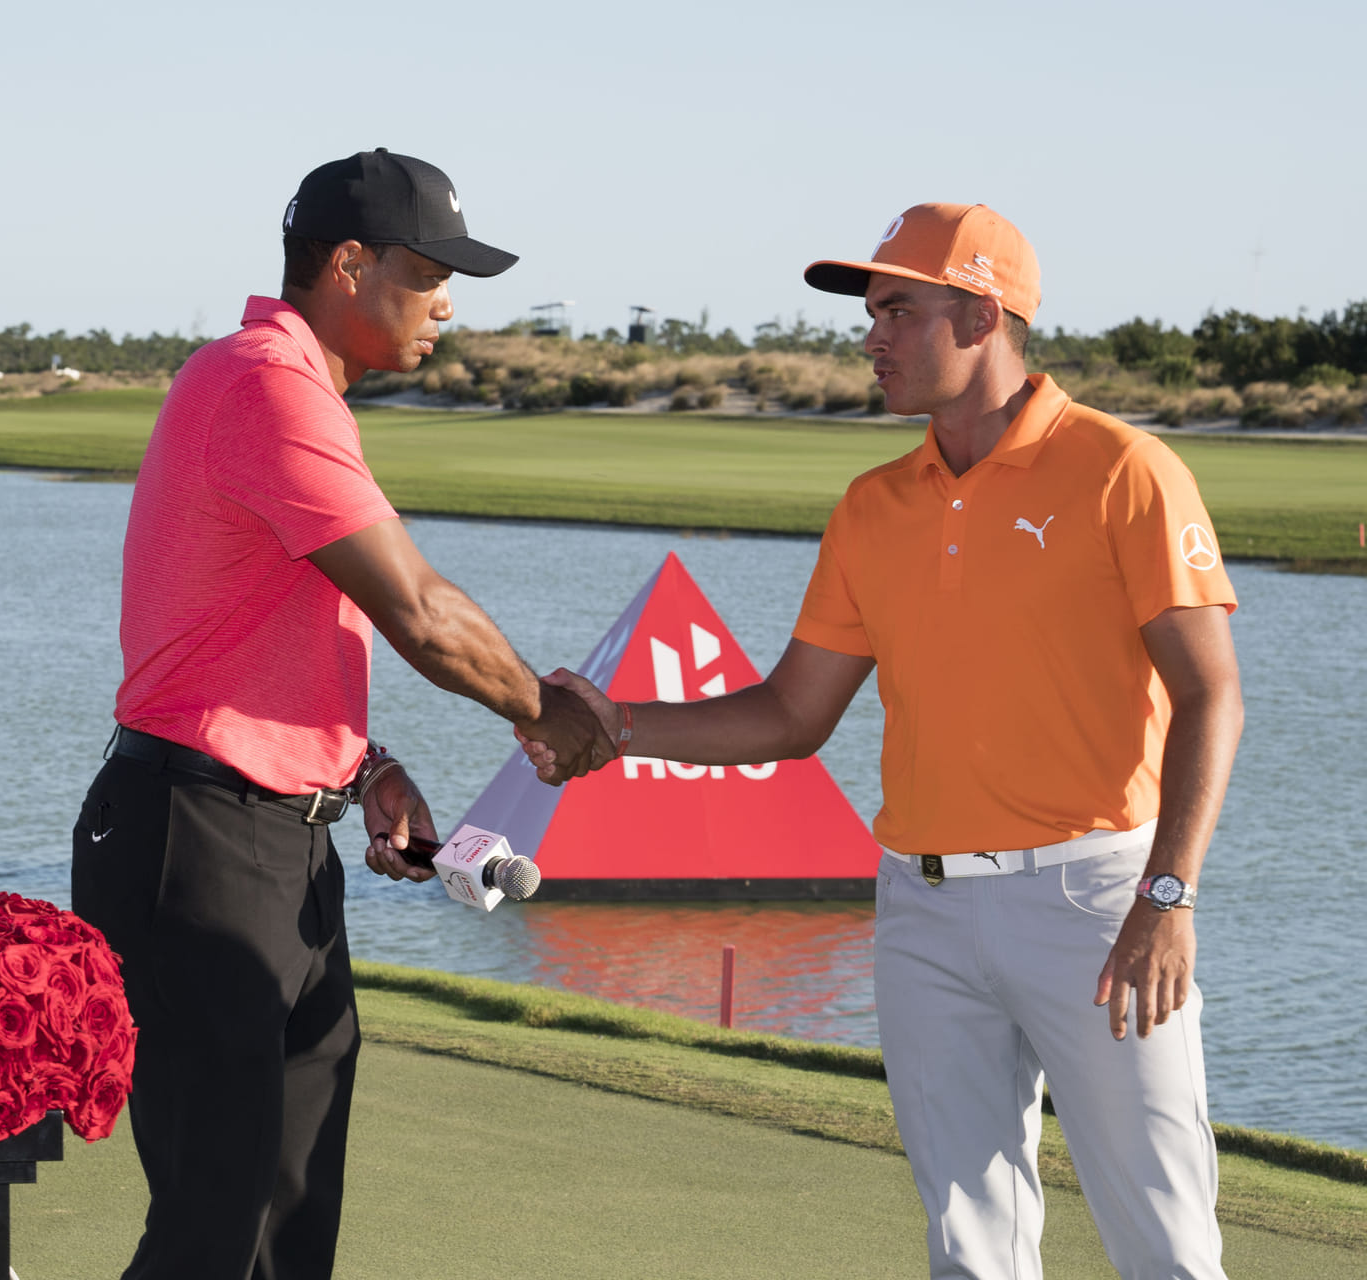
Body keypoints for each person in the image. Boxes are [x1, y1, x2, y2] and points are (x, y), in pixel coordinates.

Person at [524, 203, 1241, 1279]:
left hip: (1096, 904)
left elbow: (1212, 693)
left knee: (1164, 1241)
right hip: (922, 908)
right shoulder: (872, 506)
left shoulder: (1122, 470)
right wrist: (620, 725)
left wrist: (1168, 894)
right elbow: (793, 713)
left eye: (899, 310)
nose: (871, 337)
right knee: (969, 1246)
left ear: (983, 311)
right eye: (872, 313)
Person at [72, 148, 611, 1280]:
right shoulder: (265, 381)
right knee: (213, 1235)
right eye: (429, 273)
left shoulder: (286, 387)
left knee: (289, 1227)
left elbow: (250, 631)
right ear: (351, 265)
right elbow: (419, 611)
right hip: (200, 838)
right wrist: (546, 712)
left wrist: (362, 765)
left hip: (275, 838)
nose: (449, 303)